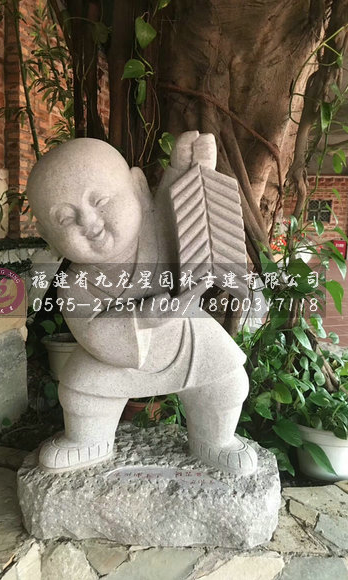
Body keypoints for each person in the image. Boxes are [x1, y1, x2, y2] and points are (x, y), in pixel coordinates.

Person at [26, 131, 257, 475]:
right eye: (65, 218)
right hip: (115, 361)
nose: (89, 222)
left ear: (137, 188)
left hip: (187, 336)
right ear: (49, 237)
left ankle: (215, 439)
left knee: (228, 380)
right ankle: (89, 441)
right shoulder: (74, 284)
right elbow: (91, 333)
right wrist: (142, 317)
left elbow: (177, 212)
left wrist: (190, 171)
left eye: (100, 200)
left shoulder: (157, 229)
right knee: (80, 389)